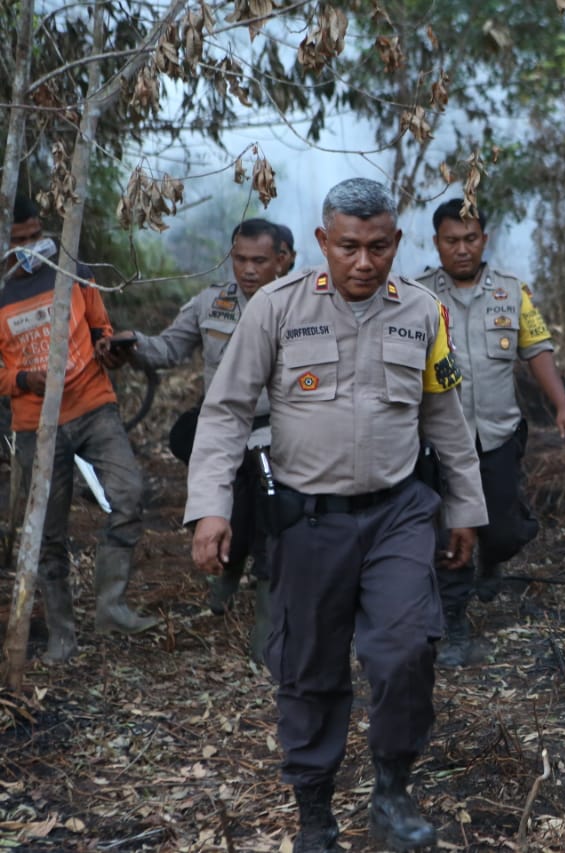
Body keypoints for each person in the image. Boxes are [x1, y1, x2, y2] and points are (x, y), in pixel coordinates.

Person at [184, 178, 487, 853]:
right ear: (323, 241)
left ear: (396, 242)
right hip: (309, 520)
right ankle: (315, 813)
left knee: (406, 649)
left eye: (379, 247)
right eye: (349, 246)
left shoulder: (422, 311)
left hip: (397, 514)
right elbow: (226, 411)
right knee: (310, 667)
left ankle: (392, 790)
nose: (364, 262)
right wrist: (209, 507)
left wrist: (466, 509)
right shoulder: (276, 308)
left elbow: (445, 417)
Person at [107, 218, 283, 660]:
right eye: (240, 259)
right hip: (225, 429)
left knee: (273, 520)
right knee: (228, 511)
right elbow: (169, 347)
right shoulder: (211, 303)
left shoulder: (299, 306)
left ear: (281, 260)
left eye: (259, 260)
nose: (248, 269)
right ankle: (225, 579)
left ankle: (268, 630)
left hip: (278, 432)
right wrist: (132, 345)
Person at [415, 199, 565, 667]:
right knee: (448, 532)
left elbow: (537, 349)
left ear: (484, 240)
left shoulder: (511, 293)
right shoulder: (418, 295)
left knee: (505, 531)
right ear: (437, 244)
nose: (462, 249)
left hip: (498, 434)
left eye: (470, 239)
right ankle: (454, 621)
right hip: (441, 443)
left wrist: (562, 405)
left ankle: (492, 557)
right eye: (452, 241)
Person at [0, 193, 157, 662]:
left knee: (128, 494)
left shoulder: (74, 271)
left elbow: (99, 329)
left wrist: (110, 348)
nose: (32, 247)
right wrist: (23, 380)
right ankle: (62, 635)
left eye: (36, 235)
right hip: (36, 424)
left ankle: (111, 606)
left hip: (93, 405)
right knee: (47, 533)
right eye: (19, 240)